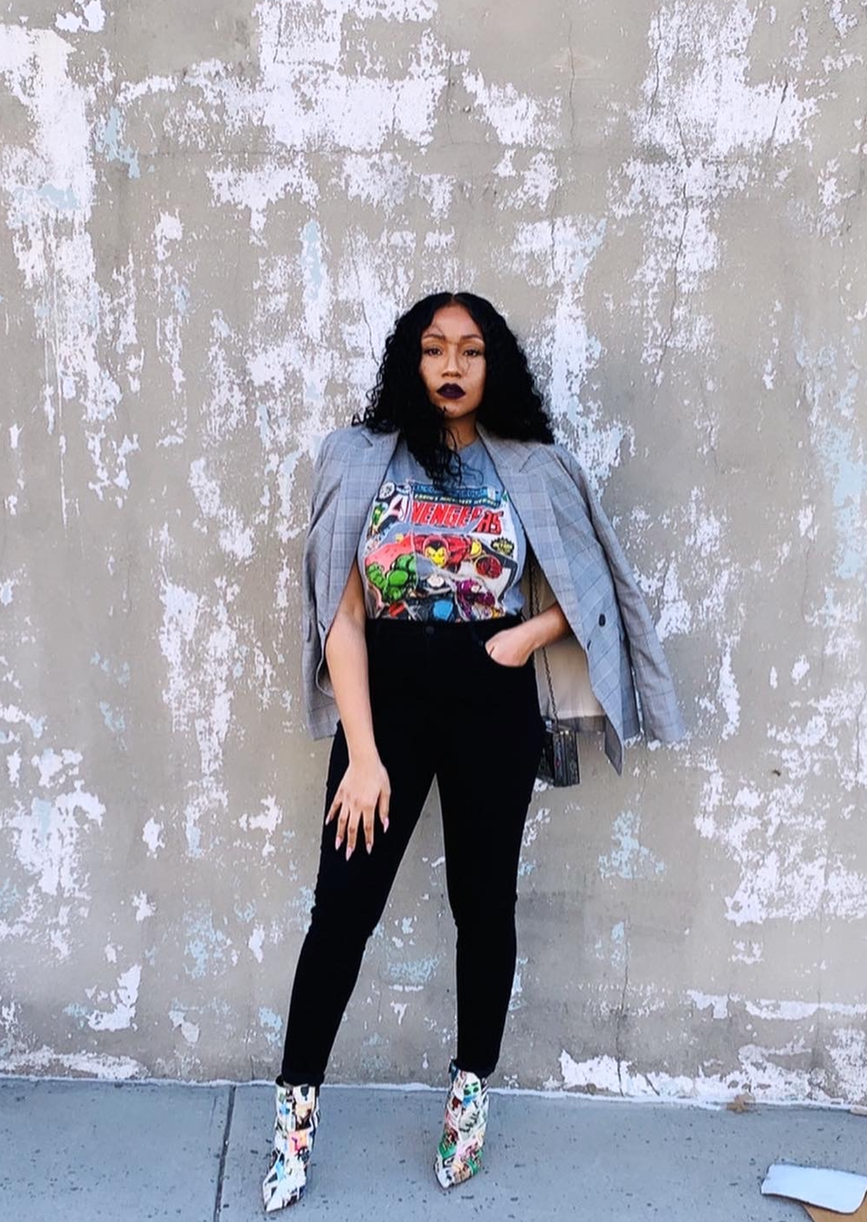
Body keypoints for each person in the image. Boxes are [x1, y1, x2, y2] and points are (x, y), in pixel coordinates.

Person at [261, 292, 687, 1213]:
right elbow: (338, 610)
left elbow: (591, 586)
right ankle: (294, 1120)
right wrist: (363, 755)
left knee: (484, 906)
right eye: (433, 349)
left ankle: (469, 1095)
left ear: (495, 366)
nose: (451, 366)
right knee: (342, 912)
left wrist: (519, 642)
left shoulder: (535, 465)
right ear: (409, 362)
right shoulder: (357, 457)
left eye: (470, 350)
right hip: (387, 701)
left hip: (493, 701)